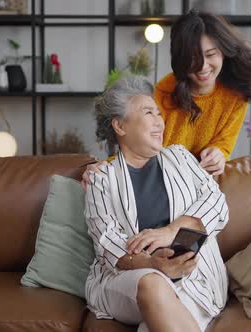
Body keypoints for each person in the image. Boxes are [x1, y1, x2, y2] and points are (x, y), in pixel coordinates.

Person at [85, 76, 229, 332]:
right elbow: (106, 244)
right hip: (129, 278)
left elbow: (217, 204)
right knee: (153, 283)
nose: (160, 121)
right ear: (120, 126)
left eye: (159, 114)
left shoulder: (180, 157)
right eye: (149, 112)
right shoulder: (101, 178)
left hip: (193, 277)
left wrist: (170, 231)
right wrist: (154, 264)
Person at [83, 10, 251, 185]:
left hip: (199, 184)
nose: (203, 66)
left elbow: (223, 143)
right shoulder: (161, 95)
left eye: (211, 54)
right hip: (159, 182)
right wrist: (105, 167)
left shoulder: (235, 93)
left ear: (224, 52)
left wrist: (219, 154)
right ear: (181, 59)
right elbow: (137, 149)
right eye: (193, 58)